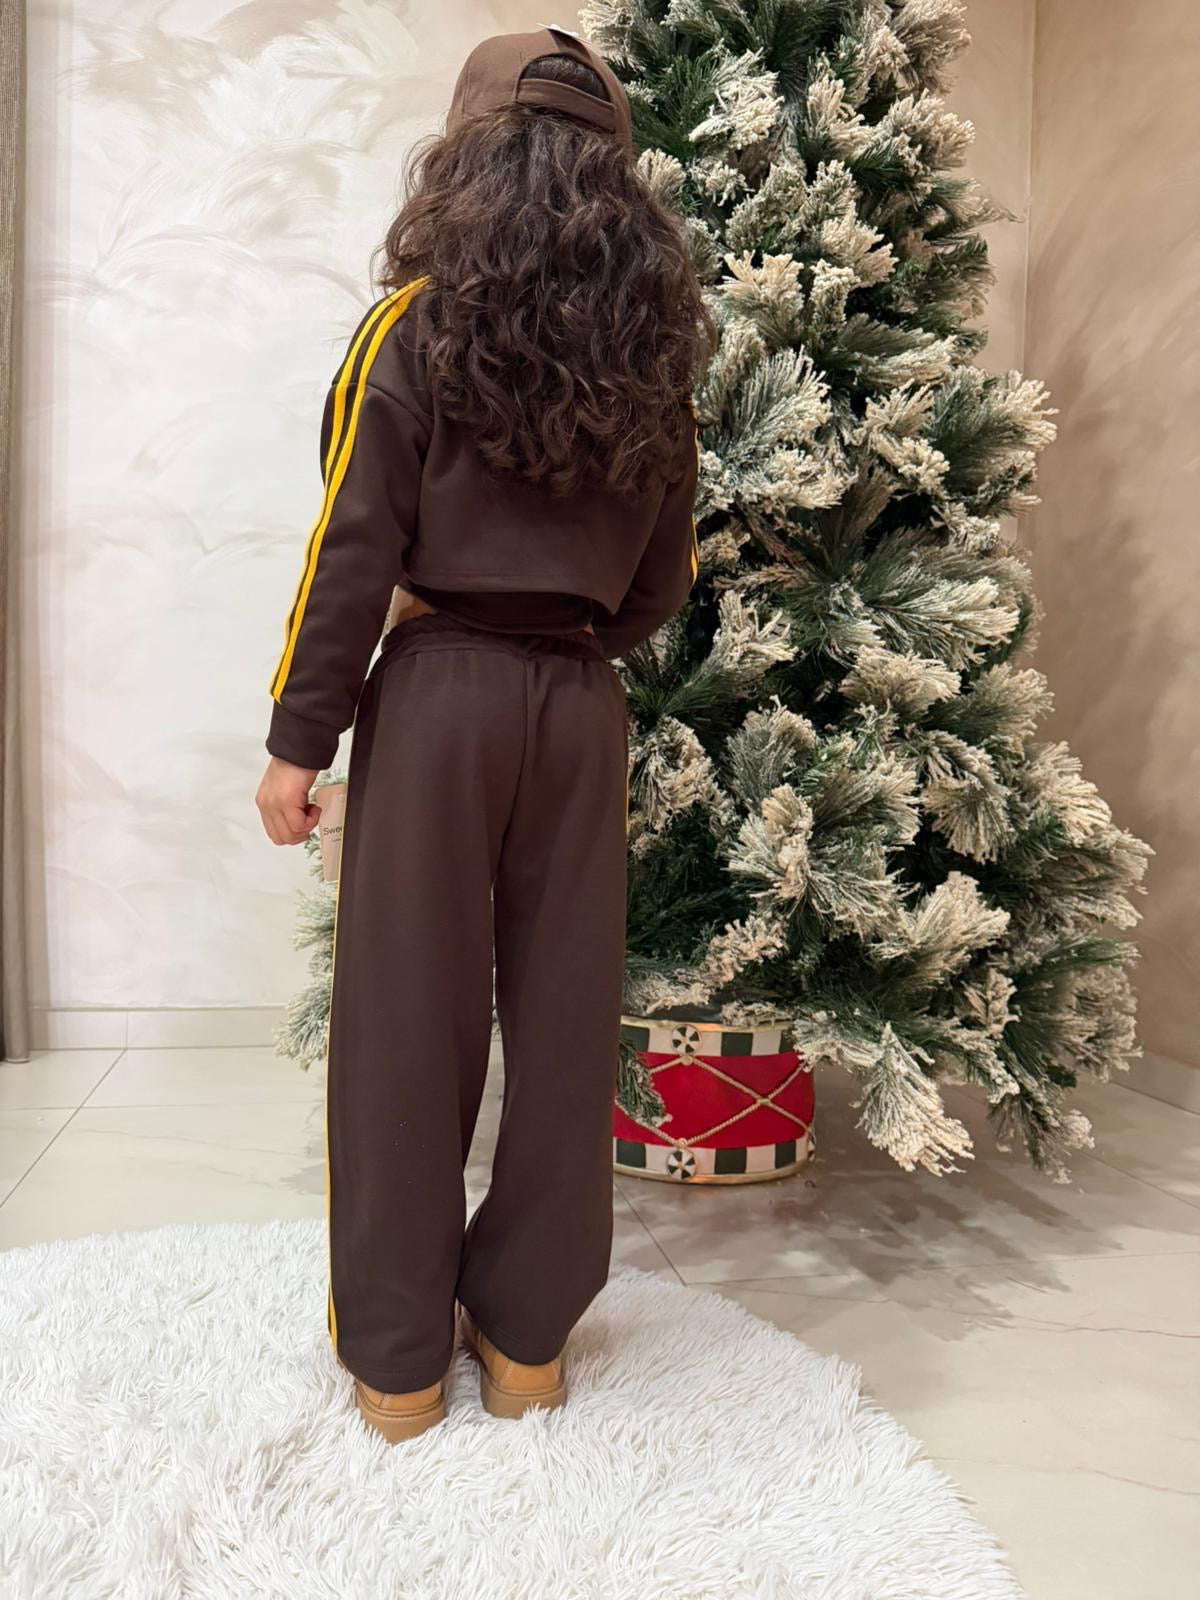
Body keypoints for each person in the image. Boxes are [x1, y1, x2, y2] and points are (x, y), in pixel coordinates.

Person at [254, 25, 715, 1445]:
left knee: (408, 1022)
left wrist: (300, 737)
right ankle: (527, 1346)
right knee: (568, 1026)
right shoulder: (655, 362)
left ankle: (399, 1368)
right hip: (579, 709)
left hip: (437, 696)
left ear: (465, 156)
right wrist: (568, 647)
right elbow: (663, 580)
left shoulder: (412, 327)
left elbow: (351, 544)